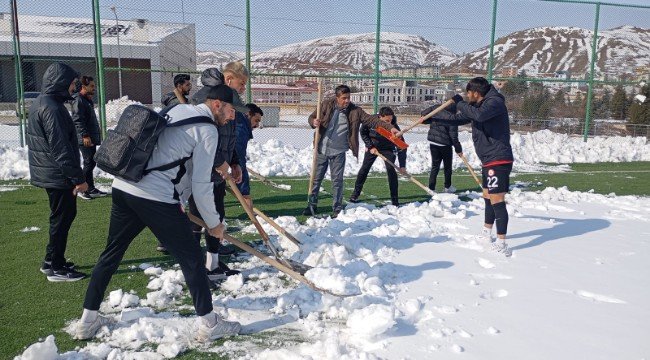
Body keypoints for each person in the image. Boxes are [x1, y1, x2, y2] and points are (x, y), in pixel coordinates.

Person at [76, 84, 241, 341]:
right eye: (231, 110)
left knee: (111, 253)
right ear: (217, 104)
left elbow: (172, 158)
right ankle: (209, 325)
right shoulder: (207, 130)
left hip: (124, 186)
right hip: (155, 196)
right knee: (192, 260)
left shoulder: (179, 109)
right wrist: (214, 223)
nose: (232, 116)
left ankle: (88, 320)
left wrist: (180, 198)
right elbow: (201, 184)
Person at [428, 77, 514, 256]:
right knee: (488, 196)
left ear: (476, 92)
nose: (467, 96)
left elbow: (479, 116)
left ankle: (502, 242)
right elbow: (457, 119)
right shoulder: (479, 106)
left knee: (497, 199)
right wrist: (431, 118)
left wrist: (459, 103)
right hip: (489, 158)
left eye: (468, 93)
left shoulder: (494, 103)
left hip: (498, 158)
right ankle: (486, 232)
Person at [26, 62, 88, 282]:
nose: (74, 87)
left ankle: (50, 261)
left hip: (52, 172)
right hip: (58, 174)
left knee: (60, 217)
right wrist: (78, 178)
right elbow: (61, 148)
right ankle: (57, 268)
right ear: (62, 82)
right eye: (72, 83)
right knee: (62, 218)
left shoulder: (44, 103)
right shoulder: (52, 108)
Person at [189, 62, 249, 280]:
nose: (243, 89)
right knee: (197, 218)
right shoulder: (205, 99)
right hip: (202, 170)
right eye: (242, 84)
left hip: (220, 169)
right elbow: (204, 138)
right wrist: (218, 162)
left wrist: (233, 161)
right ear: (229, 79)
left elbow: (229, 136)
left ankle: (212, 265)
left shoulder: (231, 103)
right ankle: (194, 267)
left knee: (218, 216)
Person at [303, 85, 399, 218]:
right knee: (316, 179)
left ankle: (337, 208)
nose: (347, 100)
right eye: (344, 98)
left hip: (339, 151)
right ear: (337, 98)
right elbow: (312, 117)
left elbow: (372, 121)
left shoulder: (356, 111)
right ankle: (311, 206)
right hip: (321, 148)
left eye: (348, 97)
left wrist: (390, 127)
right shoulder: (325, 105)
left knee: (337, 181)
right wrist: (313, 121)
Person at [349, 107, 406, 206]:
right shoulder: (371, 121)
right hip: (373, 146)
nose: (389, 122)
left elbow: (402, 146)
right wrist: (370, 146)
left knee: (391, 170)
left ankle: (395, 200)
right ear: (380, 117)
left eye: (391, 120)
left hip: (388, 148)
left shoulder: (394, 126)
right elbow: (363, 133)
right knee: (364, 168)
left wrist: (402, 166)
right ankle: (355, 194)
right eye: (386, 120)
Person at [71, 75, 107, 200]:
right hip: (85, 138)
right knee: (88, 162)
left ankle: (90, 188)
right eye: (91, 86)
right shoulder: (79, 100)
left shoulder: (85, 100)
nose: (94, 88)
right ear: (83, 86)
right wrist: (85, 135)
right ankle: (82, 189)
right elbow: (78, 120)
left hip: (89, 137)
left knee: (91, 162)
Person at [420, 103, 463, 193]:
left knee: (435, 166)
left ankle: (431, 188)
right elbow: (454, 136)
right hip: (445, 145)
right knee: (447, 167)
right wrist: (458, 149)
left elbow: (423, 114)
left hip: (433, 143)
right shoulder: (452, 118)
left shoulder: (437, 112)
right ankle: (447, 186)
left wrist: (433, 107)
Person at [235, 103, 264, 209]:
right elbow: (239, 159)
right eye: (256, 120)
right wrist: (245, 192)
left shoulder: (241, 126)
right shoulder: (240, 130)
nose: (257, 125)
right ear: (248, 115)